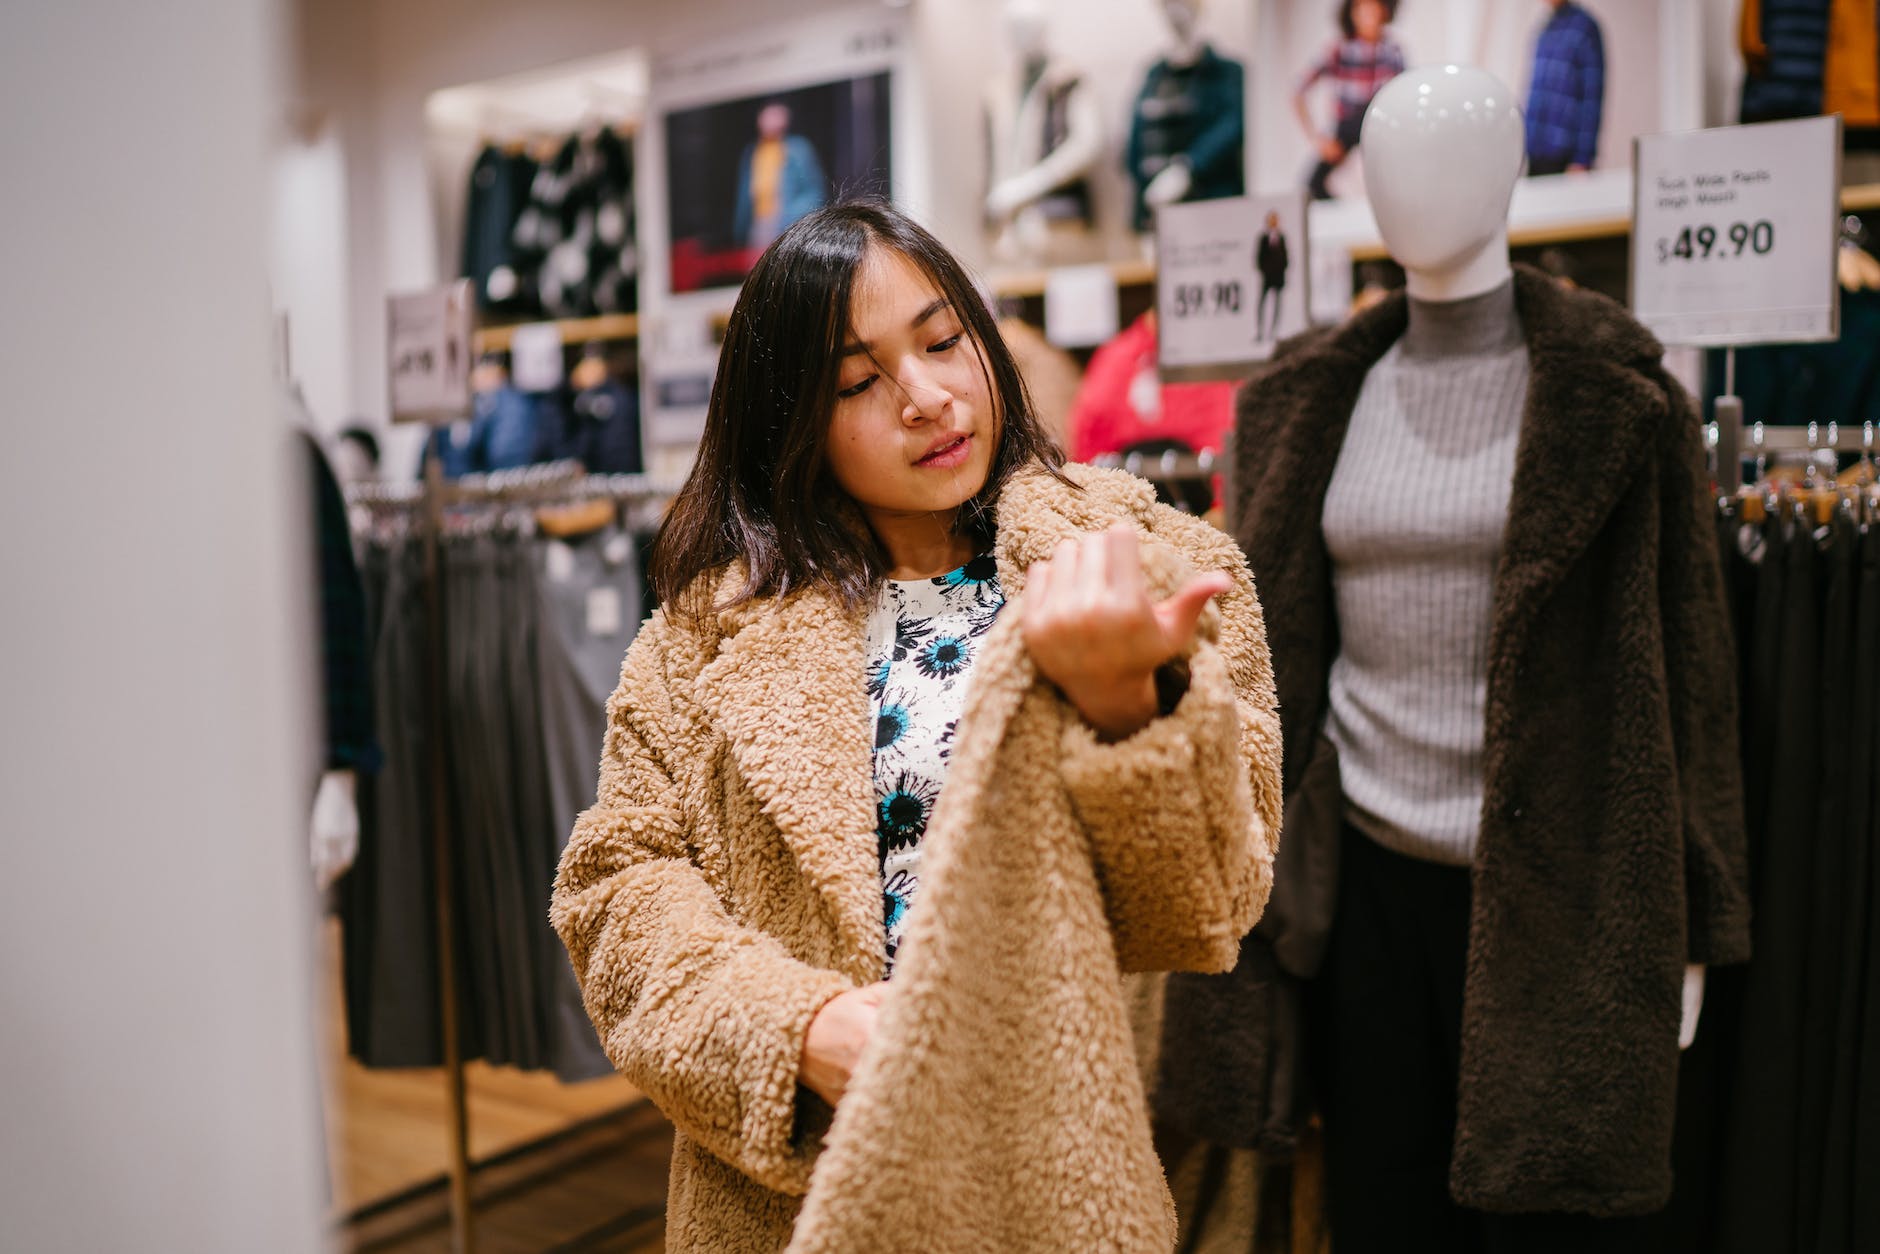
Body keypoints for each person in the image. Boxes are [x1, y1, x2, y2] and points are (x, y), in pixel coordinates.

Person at [550, 201, 1282, 1251]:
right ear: (788, 421)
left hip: (1051, 1179)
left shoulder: (1138, 561)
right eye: (857, 383)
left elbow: (1209, 908)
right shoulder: (706, 634)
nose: (928, 398)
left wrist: (1128, 711)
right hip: (790, 1193)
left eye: (943, 342)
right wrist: (796, 1029)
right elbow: (616, 893)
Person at [1294, 0, 1404, 201]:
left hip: (1378, 126)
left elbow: (1404, 97)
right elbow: (1298, 90)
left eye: (1373, 7)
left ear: (1384, 10)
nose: (1368, 14)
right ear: (1352, 13)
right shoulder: (1339, 50)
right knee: (1312, 186)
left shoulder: (1392, 51)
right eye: (1361, 8)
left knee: (1394, 180)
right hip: (1346, 127)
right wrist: (1318, 139)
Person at [1524, 0, 1605, 176]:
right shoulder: (1545, 28)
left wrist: (1582, 158)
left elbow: (1592, 97)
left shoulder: (1584, 28)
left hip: (1565, 155)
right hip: (1537, 151)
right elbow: (1534, 91)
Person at [733, 102, 828, 252]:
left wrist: (796, 216)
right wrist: (740, 227)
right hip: (759, 222)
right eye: (767, 116)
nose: (770, 121)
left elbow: (813, 189)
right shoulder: (753, 151)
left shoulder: (798, 149)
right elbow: (745, 194)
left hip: (787, 220)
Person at [1255, 209, 1290, 341]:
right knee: (1262, 303)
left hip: (1278, 276)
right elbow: (1259, 258)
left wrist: (1282, 269)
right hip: (1267, 277)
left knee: (1277, 304)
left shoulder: (1281, 238)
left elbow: (1286, 256)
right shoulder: (1263, 238)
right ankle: (1261, 330)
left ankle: (1273, 331)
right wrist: (1265, 270)